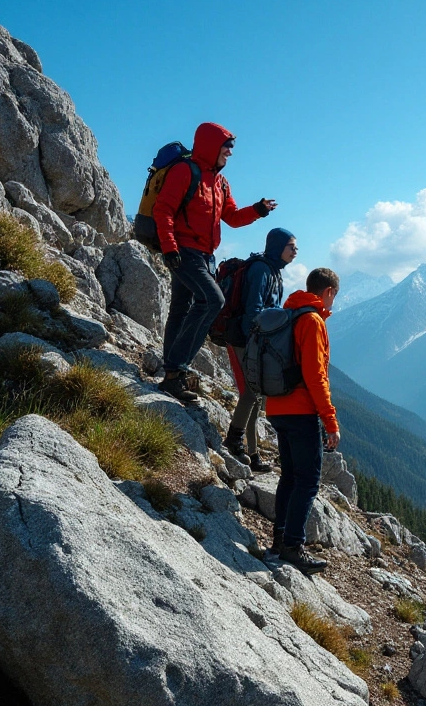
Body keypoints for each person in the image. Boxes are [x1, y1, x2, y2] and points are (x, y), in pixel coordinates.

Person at [154, 122, 277, 403]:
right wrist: (170, 247)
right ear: (212, 146)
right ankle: (177, 368)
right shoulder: (184, 171)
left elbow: (231, 217)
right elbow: (163, 209)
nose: (230, 154)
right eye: (227, 147)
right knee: (213, 300)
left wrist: (257, 210)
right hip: (184, 252)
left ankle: (172, 375)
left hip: (206, 256)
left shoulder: (220, 182)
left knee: (181, 308)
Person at [263, 268, 341, 574]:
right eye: (334, 296)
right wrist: (330, 420)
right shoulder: (312, 321)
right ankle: (293, 547)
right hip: (300, 411)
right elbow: (315, 375)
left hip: (277, 407)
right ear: (329, 292)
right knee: (307, 481)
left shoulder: (290, 313)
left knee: (290, 478)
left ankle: (280, 541)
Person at [223, 227, 297, 471]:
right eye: (291, 246)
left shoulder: (273, 271)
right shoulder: (262, 270)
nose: (295, 251)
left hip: (255, 341)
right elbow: (253, 311)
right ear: (278, 247)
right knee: (252, 393)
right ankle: (234, 440)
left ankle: (252, 454)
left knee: (257, 397)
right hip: (244, 340)